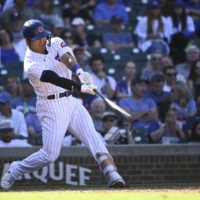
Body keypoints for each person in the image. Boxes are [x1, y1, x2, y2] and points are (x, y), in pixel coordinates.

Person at [0, 19, 125, 190]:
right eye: (37, 39)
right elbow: (54, 78)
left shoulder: (54, 41)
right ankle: (15, 169)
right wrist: (82, 87)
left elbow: (67, 58)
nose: (42, 40)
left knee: (93, 137)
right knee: (50, 155)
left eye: (43, 35)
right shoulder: (30, 63)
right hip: (50, 106)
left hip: (70, 101)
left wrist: (80, 73)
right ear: (27, 41)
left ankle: (111, 173)